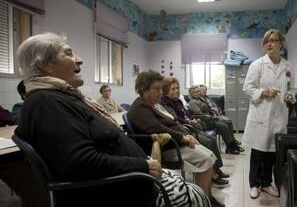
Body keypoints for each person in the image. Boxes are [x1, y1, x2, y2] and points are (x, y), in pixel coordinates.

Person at [14, 32, 209, 207]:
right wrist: (143, 166)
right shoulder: (47, 103)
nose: (79, 60)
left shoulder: (61, 97)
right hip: (119, 190)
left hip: (130, 180)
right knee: (194, 196)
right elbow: (81, 163)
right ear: (46, 65)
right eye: (68, 54)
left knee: (192, 189)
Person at [128, 70, 225, 207]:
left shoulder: (153, 105)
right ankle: (205, 202)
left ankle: (208, 197)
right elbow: (158, 129)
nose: (161, 92)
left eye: (161, 88)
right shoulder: (139, 108)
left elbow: (171, 122)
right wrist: (183, 138)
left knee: (210, 155)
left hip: (175, 142)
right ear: (144, 89)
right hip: (167, 148)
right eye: (157, 89)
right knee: (206, 160)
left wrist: (186, 135)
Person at [242, 29, 297, 199]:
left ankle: (266, 183)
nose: (269, 44)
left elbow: (292, 87)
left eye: (273, 40)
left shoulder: (288, 66)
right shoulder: (257, 64)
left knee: (272, 152)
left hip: (279, 114)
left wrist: (290, 95)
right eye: (266, 41)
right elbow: (247, 88)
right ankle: (254, 184)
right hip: (261, 114)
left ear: (281, 43)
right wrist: (265, 92)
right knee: (258, 151)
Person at [161, 77, 230, 186]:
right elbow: (177, 120)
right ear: (165, 90)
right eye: (173, 89)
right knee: (208, 141)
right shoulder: (167, 104)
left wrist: (192, 118)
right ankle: (214, 174)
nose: (177, 91)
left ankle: (216, 169)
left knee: (210, 139)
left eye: (177, 88)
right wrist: (189, 121)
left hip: (190, 126)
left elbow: (187, 113)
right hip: (185, 129)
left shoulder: (178, 101)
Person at [188, 85, 243, 154]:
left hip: (209, 119)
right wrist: (211, 117)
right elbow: (199, 115)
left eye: (199, 91)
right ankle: (232, 147)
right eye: (197, 92)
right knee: (223, 126)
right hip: (203, 122)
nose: (199, 93)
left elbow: (208, 109)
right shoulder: (193, 102)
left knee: (225, 124)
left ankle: (231, 146)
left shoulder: (200, 99)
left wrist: (213, 114)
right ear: (192, 94)